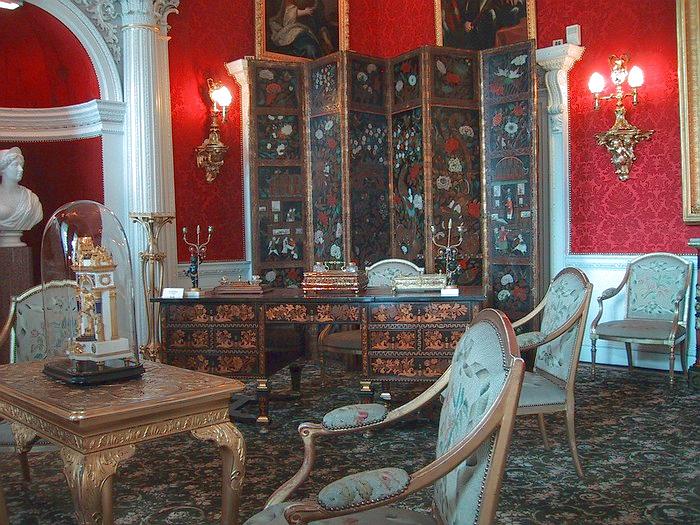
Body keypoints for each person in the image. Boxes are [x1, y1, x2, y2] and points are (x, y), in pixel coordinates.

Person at [268, 0, 333, 59]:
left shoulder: (317, 3)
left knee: (318, 51)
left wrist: (326, 39)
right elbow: (287, 19)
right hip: (295, 30)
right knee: (310, 48)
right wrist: (304, 12)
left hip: (312, 33)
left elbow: (321, 23)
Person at [0, 147, 42, 234]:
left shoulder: (31, 199)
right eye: (15, 165)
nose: (21, 169)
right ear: (3, 168)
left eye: (21, 165)